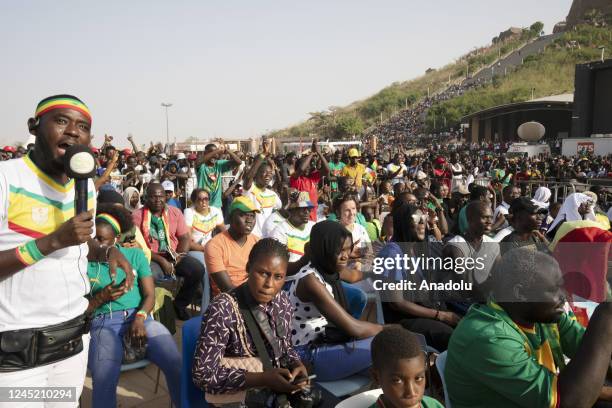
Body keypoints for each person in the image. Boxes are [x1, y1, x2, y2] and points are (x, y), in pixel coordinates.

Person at [0, 95, 132, 402]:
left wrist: (105, 251)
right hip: (17, 351)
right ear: (34, 126)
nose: (73, 131)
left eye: (83, 126)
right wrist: (52, 241)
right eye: (61, 121)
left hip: (71, 341)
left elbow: (80, 241)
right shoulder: (6, 178)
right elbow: (61, 241)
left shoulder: (83, 186)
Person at [445, 248, 612, 407]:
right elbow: (569, 402)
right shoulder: (488, 337)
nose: (563, 296)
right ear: (520, 293)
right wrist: (604, 317)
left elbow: (598, 356)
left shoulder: (544, 314)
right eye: (554, 289)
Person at [86, 205, 181, 408]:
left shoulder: (135, 256)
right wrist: (101, 297)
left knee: (175, 362)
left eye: (102, 239)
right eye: (93, 238)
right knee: (104, 374)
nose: (96, 244)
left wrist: (140, 317)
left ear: (116, 238)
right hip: (103, 323)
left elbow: (149, 295)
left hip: (139, 318)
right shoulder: (84, 263)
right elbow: (81, 311)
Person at [192, 239, 310, 400]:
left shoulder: (282, 301)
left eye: (278, 277)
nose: (269, 284)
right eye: (263, 273)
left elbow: (285, 346)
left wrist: (297, 364)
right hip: (237, 399)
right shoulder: (223, 309)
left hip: (271, 394)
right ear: (248, 268)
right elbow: (203, 375)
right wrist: (262, 378)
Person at [286, 221, 383, 382]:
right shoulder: (310, 280)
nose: (345, 256)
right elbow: (354, 328)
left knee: (385, 366)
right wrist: (390, 329)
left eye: (348, 249)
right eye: (339, 250)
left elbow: (353, 276)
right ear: (324, 249)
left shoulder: (327, 266)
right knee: (384, 346)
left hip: (325, 340)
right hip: (306, 355)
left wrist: (375, 274)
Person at [377, 203, 458, 351]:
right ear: (403, 224)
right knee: (450, 335)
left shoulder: (415, 249)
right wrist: (440, 315)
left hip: (424, 309)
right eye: (417, 219)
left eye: (424, 218)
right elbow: (397, 303)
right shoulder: (392, 253)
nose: (423, 223)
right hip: (403, 319)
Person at [132, 183, 205, 320]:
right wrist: (162, 261)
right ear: (146, 198)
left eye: (161, 196)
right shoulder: (137, 216)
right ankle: (155, 311)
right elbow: (138, 246)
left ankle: (180, 304)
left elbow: (184, 238)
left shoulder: (175, 212)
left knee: (197, 269)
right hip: (151, 257)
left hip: (175, 254)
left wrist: (178, 258)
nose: (158, 200)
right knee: (151, 276)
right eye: (153, 197)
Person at [369, 326, 444, 408]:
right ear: (377, 377)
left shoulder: (433, 405)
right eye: (397, 380)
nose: (411, 393)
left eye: (418, 378)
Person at [204, 196, 261, 296]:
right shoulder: (214, 246)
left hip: (255, 294)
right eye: (243, 215)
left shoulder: (258, 242)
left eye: (252, 216)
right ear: (230, 218)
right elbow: (228, 289)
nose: (249, 220)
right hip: (227, 300)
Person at [243, 152, 282, 238]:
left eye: (270, 173)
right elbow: (249, 177)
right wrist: (262, 155)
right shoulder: (250, 189)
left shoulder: (273, 195)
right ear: (256, 174)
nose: (268, 174)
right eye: (264, 172)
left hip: (267, 237)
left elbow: (281, 209)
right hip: (251, 236)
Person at [270, 190, 315, 263]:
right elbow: (277, 262)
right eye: (303, 208)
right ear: (292, 209)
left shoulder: (313, 226)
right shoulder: (280, 231)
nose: (307, 212)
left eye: (309, 209)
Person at [289, 140, 330, 222]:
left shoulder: (313, 178)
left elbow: (327, 170)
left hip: (313, 216)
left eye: (309, 165)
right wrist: (312, 152)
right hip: (301, 217)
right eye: (306, 165)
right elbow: (301, 169)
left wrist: (319, 153)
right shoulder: (295, 178)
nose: (308, 167)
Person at [196, 143, 242, 209]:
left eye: (216, 154)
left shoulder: (219, 164)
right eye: (211, 153)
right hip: (203, 204)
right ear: (205, 153)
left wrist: (227, 150)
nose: (215, 155)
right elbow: (198, 162)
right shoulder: (202, 166)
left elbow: (238, 162)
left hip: (216, 205)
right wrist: (217, 151)